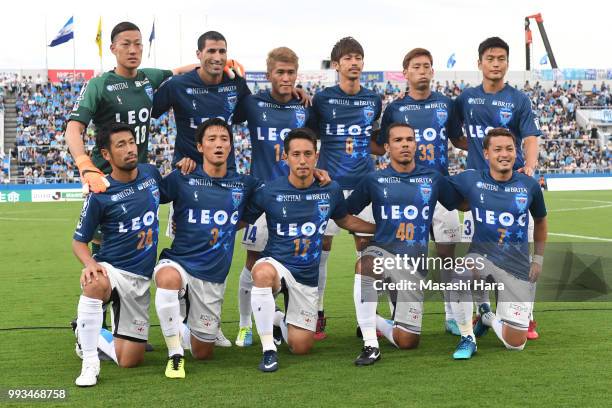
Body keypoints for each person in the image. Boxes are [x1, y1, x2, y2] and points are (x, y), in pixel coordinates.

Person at [242, 128, 376, 372]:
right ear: (286, 157)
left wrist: (381, 229)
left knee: (301, 346)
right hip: (277, 264)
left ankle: (277, 319)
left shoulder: (330, 189)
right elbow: (240, 220)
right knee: (261, 272)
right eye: (296, 154)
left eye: (307, 154)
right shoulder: (270, 191)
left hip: (306, 276)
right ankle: (268, 350)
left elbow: (345, 220)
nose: (302, 160)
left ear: (316, 156)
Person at [235, 47, 328, 347]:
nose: (286, 78)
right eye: (280, 72)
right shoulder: (252, 103)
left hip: (299, 199)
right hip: (262, 196)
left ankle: (290, 318)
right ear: (269, 74)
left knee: (302, 258)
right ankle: (245, 325)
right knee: (253, 262)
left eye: (291, 73)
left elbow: (313, 147)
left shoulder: (306, 108)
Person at [153, 118, 259, 379]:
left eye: (224, 139)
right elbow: (150, 192)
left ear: (232, 146)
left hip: (212, 276)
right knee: (167, 279)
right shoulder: (182, 177)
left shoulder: (244, 185)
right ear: (199, 147)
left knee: (203, 352)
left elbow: (252, 212)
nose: (219, 144)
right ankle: (174, 354)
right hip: (180, 262)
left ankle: (187, 319)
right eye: (211, 139)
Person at [373, 47, 467, 336]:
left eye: (427, 66)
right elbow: (380, 144)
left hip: (440, 188)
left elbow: (458, 138)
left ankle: (452, 316)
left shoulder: (446, 104)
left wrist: (489, 150)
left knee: (448, 254)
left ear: (432, 71)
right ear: (406, 73)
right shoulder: (395, 109)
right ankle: (398, 316)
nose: (422, 71)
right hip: (404, 192)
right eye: (416, 66)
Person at [348, 123, 460, 365]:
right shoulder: (373, 180)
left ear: (416, 144)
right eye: (398, 140)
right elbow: (345, 214)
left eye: (410, 139)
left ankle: (373, 320)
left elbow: (459, 203)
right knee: (366, 264)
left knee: (407, 342)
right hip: (383, 253)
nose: (405, 144)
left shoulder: (433, 179)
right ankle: (370, 343)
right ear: (387, 147)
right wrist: (373, 229)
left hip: (413, 267)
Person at [453, 37, 542, 339]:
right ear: (479, 63)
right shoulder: (465, 98)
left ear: (507, 63)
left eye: (501, 58)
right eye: (490, 58)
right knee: (475, 256)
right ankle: (483, 312)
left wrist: (528, 166)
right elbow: (455, 135)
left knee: (520, 251)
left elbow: (530, 136)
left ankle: (525, 315)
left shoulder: (519, 99)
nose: (495, 63)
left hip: (510, 186)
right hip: (477, 189)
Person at [72, 122, 164, 386]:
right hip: (112, 270)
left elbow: (170, 195)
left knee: (129, 361)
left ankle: (87, 330)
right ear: (107, 154)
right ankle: (90, 362)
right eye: (121, 145)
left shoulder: (151, 174)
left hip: (140, 279)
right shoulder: (100, 192)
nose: (130, 149)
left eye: (131, 142)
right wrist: (90, 263)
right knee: (94, 281)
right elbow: (79, 242)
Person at [447, 127, 547, 357]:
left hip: (516, 265)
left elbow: (541, 222)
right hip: (481, 258)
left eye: (509, 149)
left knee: (515, 344)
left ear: (516, 152)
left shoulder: (529, 185)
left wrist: (538, 259)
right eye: (498, 149)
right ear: (486, 154)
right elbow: (443, 191)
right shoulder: (471, 179)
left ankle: (488, 317)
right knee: (460, 273)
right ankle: (466, 337)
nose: (504, 154)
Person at [66, 21, 196, 191]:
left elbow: (179, 71)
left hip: (138, 177)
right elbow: (73, 129)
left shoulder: (149, 77)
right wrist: (85, 165)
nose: (133, 50)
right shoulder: (98, 84)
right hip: (105, 178)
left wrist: (218, 64)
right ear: (113, 49)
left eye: (137, 44)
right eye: (126, 44)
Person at [310, 37, 383, 339]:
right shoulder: (323, 99)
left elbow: (377, 142)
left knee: (368, 252)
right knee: (320, 251)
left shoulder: (374, 99)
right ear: (336, 64)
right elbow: (309, 135)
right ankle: (316, 312)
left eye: (358, 57)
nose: (354, 62)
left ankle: (369, 319)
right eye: (348, 58)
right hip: (330, 186)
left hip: (364, 185)